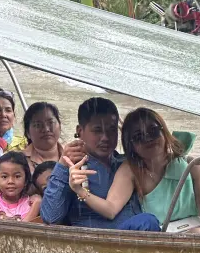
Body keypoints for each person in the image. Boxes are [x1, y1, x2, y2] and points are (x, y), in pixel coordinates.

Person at [68, 107, 200, 233]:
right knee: (197, 235)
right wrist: (79, 190)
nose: (148, 139)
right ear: (131, 145)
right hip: (169, 233)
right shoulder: (131, 170)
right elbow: (110, 209)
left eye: (153, 131)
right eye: (139, 137)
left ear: (164, 132)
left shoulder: (193, 166)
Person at [40, 97, 159, 231]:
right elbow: (50, 218)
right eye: (97, 130)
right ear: (80, 131)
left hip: (134, 239)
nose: (105, 138)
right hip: (95, 244)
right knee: (147, 221)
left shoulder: (127, 163)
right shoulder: (72, 169)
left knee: (148, 221)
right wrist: (62, 165)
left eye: (111, 130)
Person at [0, 152, 41, 221]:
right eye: (4, 177)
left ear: (26, 181)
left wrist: (36, 204)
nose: (10, 181)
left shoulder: (29, 202)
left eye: (17, 176)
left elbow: (23, 229)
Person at [23, 102, 63, 172]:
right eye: (38, 125)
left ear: (60, 126)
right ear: (28, 133)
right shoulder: (19, 162)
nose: (46, 129)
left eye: (51, 123)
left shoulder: (73, 154)